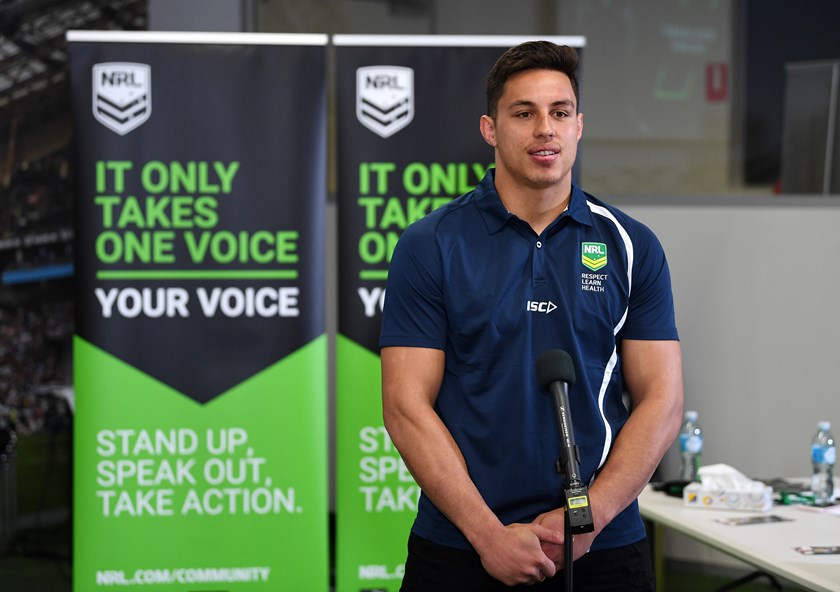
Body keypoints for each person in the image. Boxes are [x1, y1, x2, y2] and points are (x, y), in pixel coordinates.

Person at [380, 40, 683, 591]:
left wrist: (590, 518)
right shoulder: (431, 244)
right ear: (490, 129)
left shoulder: (632, 245)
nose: (546, 129)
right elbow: (405, 406)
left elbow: (662, 401)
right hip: (460, 545)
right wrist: (487, 535)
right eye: (524, 113)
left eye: (560, 113)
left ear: (578, 126)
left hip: (604, 545)